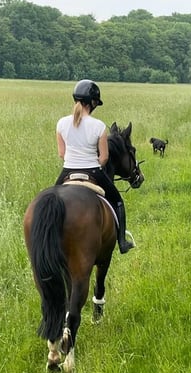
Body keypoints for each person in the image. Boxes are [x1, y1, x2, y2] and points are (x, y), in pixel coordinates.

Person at [55, 79, 135, 254]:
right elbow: (104, 157)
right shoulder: (98, 126)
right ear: (92, 103)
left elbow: (62, 154)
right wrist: (92, 165)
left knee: (52, 199)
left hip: (68, 170)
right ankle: (122, 242)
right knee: (118, 201)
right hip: (93, 171)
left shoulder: (61, 123)